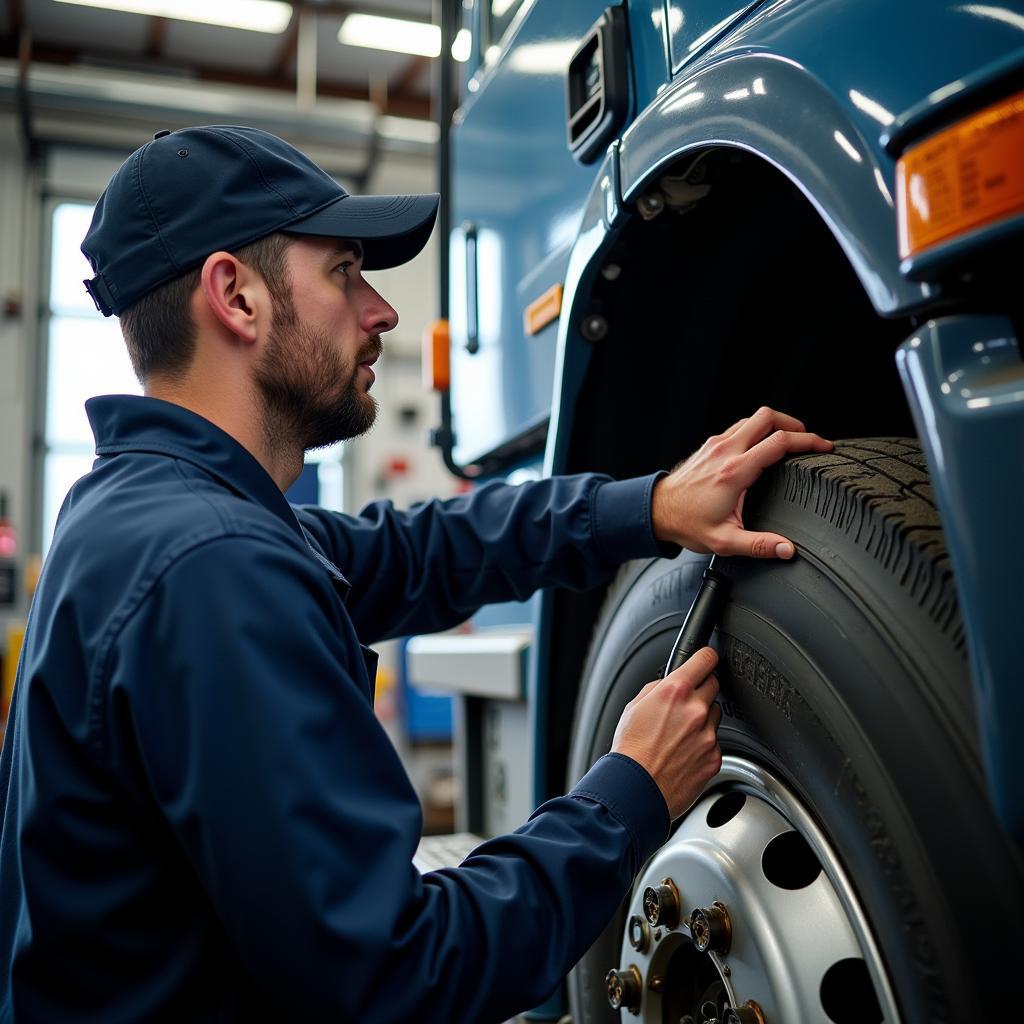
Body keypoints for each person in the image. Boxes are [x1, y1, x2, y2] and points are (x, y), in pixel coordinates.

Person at [0, 126, 833, 1022]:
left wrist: (650, 504)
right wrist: (630, 787)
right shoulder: (211, 567)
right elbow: (397, 977)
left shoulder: (150, 513)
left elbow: (414, 549)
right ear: (235, 296)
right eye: (346, 271)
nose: (383, 311)